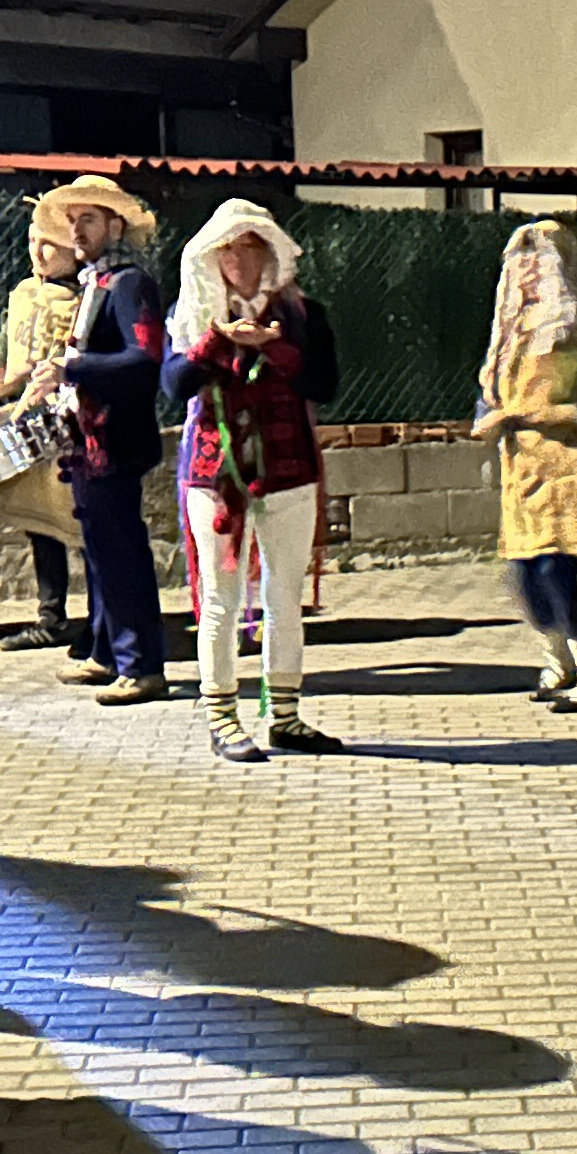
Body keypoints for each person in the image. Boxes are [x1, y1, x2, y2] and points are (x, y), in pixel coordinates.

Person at [162, 197, 344, 763]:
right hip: (214, 478)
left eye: (250, 247)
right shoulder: (193, 313)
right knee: (220, 597)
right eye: (228, 249)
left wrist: (277, 350)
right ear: (212, 258)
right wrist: (219, 340)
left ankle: (285, 715)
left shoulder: (302, 313)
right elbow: (173, 385)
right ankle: (221, 716)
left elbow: (326, 383)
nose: (239, 260)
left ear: (270, 253)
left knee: (284, 595)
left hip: (289, 471)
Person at [478, 217, 577, 711]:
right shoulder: (507, 337)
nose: (528, 271)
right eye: (520, 261)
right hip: (519, 471)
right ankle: (557, 660)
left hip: (567, 468)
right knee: (524, 576)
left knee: (554, 570)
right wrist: (488, 418)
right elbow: (488, 397)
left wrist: (529, 415)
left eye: (538, 260)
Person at [52, 181, 174, 704]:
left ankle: (142, 665)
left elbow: (145, 359)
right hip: (90, 441)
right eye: (73, 220)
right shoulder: (96, 283)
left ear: (115, 227)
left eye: (89, 220)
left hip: (116, 440)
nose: (76, 230)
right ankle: (106, 652)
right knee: (100, 550)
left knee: (120, 552)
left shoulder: (129, 284)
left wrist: (74, 367)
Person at [0, 202, 91, 648]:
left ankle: (103, 621)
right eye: (32, 240)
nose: (37, 250)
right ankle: (51, 616)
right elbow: (5, 355)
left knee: (81, 519)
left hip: (72, 422)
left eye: (49, 243)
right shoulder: (22, 294)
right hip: (27, 422)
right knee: (39, 522)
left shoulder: (87, 296)